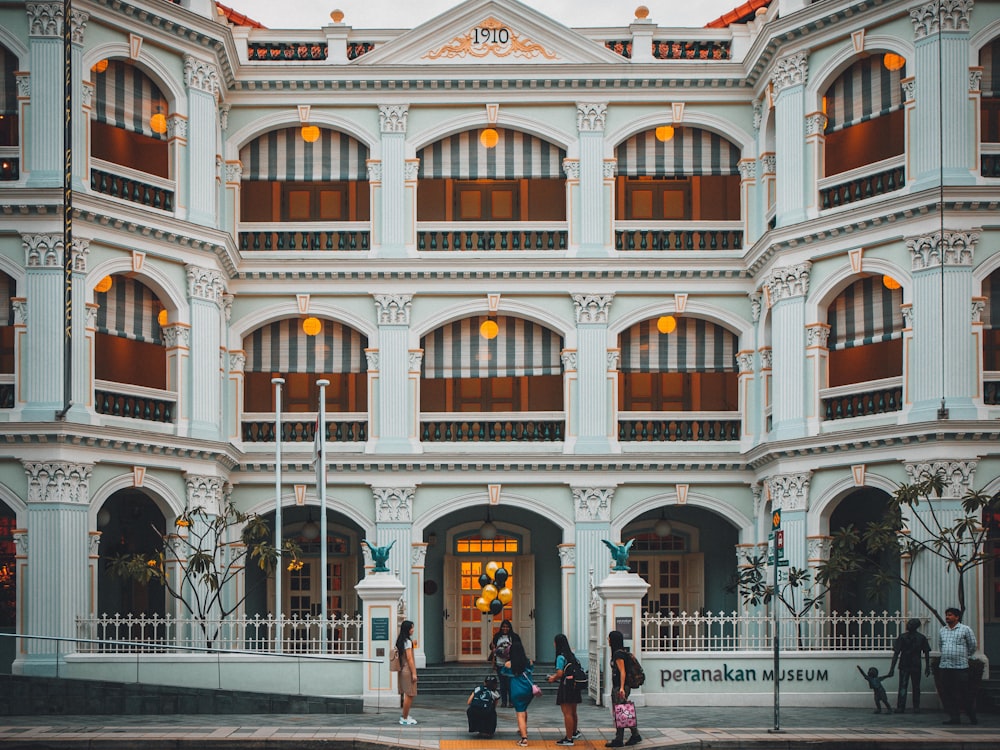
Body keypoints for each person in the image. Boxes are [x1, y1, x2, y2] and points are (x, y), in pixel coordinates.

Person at [938, 607, 978, 725]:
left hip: (960, 667)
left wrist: (965, 656)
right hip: (945, 666)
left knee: (963, 692)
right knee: (948, 693)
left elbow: (972, 645)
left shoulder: (965, 630)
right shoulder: (942, 630)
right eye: (946, 615)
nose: (947, 617)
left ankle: (971, 715)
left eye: (950, 615)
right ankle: (954, 717)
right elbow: (941, 645)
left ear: (957, 617)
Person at [887, 618, 931, 713]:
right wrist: (892, 669)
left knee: (916, 686)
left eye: (911, 624)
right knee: (903, 686)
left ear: (916, 626)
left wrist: (928, 667)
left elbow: (927, 653)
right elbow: (896, 653)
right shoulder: (902, 637)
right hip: (904, 664)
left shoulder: (921, 638)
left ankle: (916, 706)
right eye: (909, 623)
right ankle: (901, 706)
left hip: (915, 665)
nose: (908, 625)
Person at [547, 633, 582, 746]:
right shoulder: (571, 655)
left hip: (566, 686)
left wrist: (553, 678)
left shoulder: (560, 657)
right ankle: (574, 732)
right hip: (575, 686)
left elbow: (560, 673)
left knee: (567, 713)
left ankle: (569, 738)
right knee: (573, 712)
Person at [607, 630, 641, 747]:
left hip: (620, 687)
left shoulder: (618, 654)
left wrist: (621, 688)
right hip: (622, 686)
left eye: (609, 638)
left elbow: (623, 672)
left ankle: (619, 739)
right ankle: (635, 735)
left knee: (619, 711)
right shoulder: (622, 652)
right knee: (623, 711)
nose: (608, 640)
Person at [501, 632, 535, 747]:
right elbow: (531, 669)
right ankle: (524, 729)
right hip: (529, 690)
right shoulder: (528, 662)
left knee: (519, 713)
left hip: (516, 690)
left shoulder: (509, 664)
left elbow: (503, 673)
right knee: (524, 709)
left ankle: (524, 738)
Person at [395, 620, 418, 726]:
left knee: (407, 694)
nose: (413, 630)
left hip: (402, 669)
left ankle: (405, 715)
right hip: (407, 670)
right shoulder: (407, 642)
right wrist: (414, 673)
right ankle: (404, 718)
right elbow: (410, 659)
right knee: (410, 694)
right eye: (411, 628)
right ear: (407, 629)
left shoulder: (401, 640)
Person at [489, 619, 515, 708]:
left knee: (510, 683)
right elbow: (492, 647)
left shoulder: (513, 637)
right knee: (502, 683)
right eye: (503, 626)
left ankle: (511, 701)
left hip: (509, 663)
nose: (505, 628)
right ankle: (504, 701)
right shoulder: (497, 637)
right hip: (499, 663)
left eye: (507, 627)